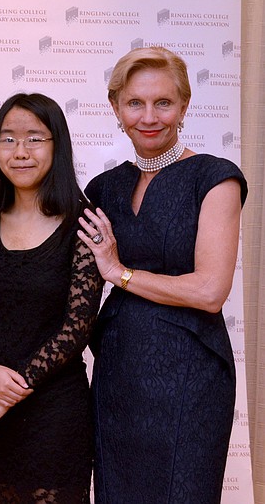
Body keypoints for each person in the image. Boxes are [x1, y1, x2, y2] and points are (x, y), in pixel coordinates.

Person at [77, 46, 247, 503]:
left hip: (190, 374)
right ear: (116, 108)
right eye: (135, 103)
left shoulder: (215, 177)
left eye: (163, 102)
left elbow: (211, 291)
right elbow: (61, 261)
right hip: (118, 371)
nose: (149, 116)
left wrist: (119, 272)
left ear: (184, 106)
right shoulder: (103, 188)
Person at [0, 93, 103, 503]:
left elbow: (76, 330)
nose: (20, 152)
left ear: (57, 145)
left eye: (34, 139)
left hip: (55, 411)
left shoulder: (83, 221)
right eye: (7, 140)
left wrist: (5, 394)